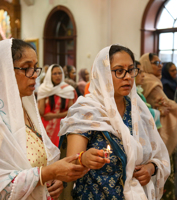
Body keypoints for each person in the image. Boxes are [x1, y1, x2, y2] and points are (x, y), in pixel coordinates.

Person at [0, 39, 88, 200]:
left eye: (35, 67)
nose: (35, 74)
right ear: (4, 70)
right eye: (27, 68)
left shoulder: (26, 110)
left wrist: (53, 179)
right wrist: (47, 173)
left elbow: (42, 160)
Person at [59, 45, 170, 199]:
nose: (127, 77)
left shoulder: (138, 111)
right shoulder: (86, 110)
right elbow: (70, 163)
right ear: (103, 73)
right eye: (119, 71)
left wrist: (151, 168)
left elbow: (159, 155)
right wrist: (83, 158)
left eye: (131, 70)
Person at [140, 53, 177, 155]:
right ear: (147, 64)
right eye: (156, 63)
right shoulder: (150, 81)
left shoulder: (151, 79)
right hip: (154, 123)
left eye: (160, 63)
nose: (160, 65)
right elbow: (167, 104)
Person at [37, 64, 76, 147]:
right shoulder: (43, 89)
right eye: (54, 73)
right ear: (49, 75)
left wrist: (55, 115)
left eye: (59, 73)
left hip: (62, 127)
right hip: (45, 127)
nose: (58, 76)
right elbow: (41, 111)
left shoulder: (68, 90)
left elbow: (71, 111)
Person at [135, 61, 161, 129]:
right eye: (140, 72)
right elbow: (141, 113)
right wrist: (158, 112)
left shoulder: (138, 90)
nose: (143, 75)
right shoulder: (130, 93)